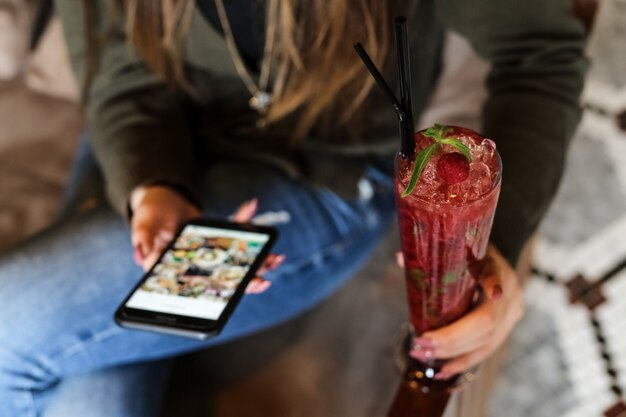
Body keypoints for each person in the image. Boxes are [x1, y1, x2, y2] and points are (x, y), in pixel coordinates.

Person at [0, 0, 587, 416]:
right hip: (148, 143)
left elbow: (538, 58)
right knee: (84, 391)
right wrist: (149, 182)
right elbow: (117, 61)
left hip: (316, 180)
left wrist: (497, 247)